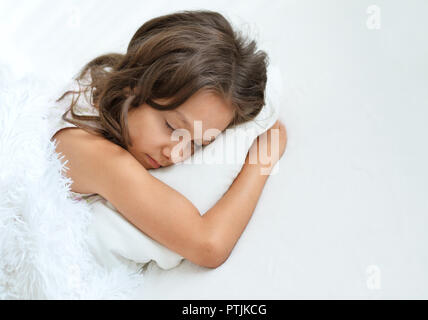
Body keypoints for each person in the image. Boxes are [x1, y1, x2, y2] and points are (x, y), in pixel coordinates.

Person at [50, 10, 287, 269]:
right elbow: (208, 246)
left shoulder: (113, 110)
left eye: (196, 144)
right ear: (134, 85)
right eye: (172, 127)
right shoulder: (95, 154)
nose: (176, 154)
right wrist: (263, 159)